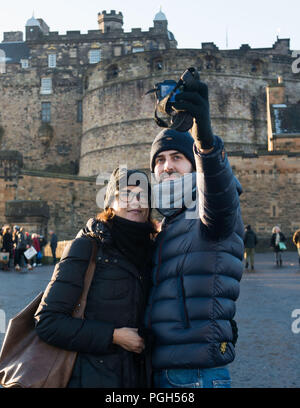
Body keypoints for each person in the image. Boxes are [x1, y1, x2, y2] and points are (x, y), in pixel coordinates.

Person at [144, 75, 244, 388]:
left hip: (195, 375)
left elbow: (216, 186)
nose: (166, 167)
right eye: (159, 160)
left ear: (193, 166)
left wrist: (205, 141)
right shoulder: (168, 223)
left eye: (177, 158)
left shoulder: (209, 210)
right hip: (164, 368)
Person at [34, 168, 156, 388]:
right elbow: (48, 322)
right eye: (126, 195)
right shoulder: (87, 247)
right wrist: (113, 336)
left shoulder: (152, 252)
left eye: (142, 196)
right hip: (89, 377)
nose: (135, 202)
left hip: (136, 378)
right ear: (110, 203)